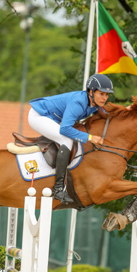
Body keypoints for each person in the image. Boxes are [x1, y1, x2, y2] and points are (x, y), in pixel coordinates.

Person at [28, 74, 114, 204]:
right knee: (66, 140)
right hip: (38, 116)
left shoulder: (93, 103)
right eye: (101, 94)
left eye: (107, 95)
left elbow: (106, 114)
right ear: (91, 92)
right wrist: (89, 137)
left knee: (69, 139)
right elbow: (65, 129)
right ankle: (57, 189)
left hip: (49, 118)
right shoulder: (79, 103)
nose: (105, 98)